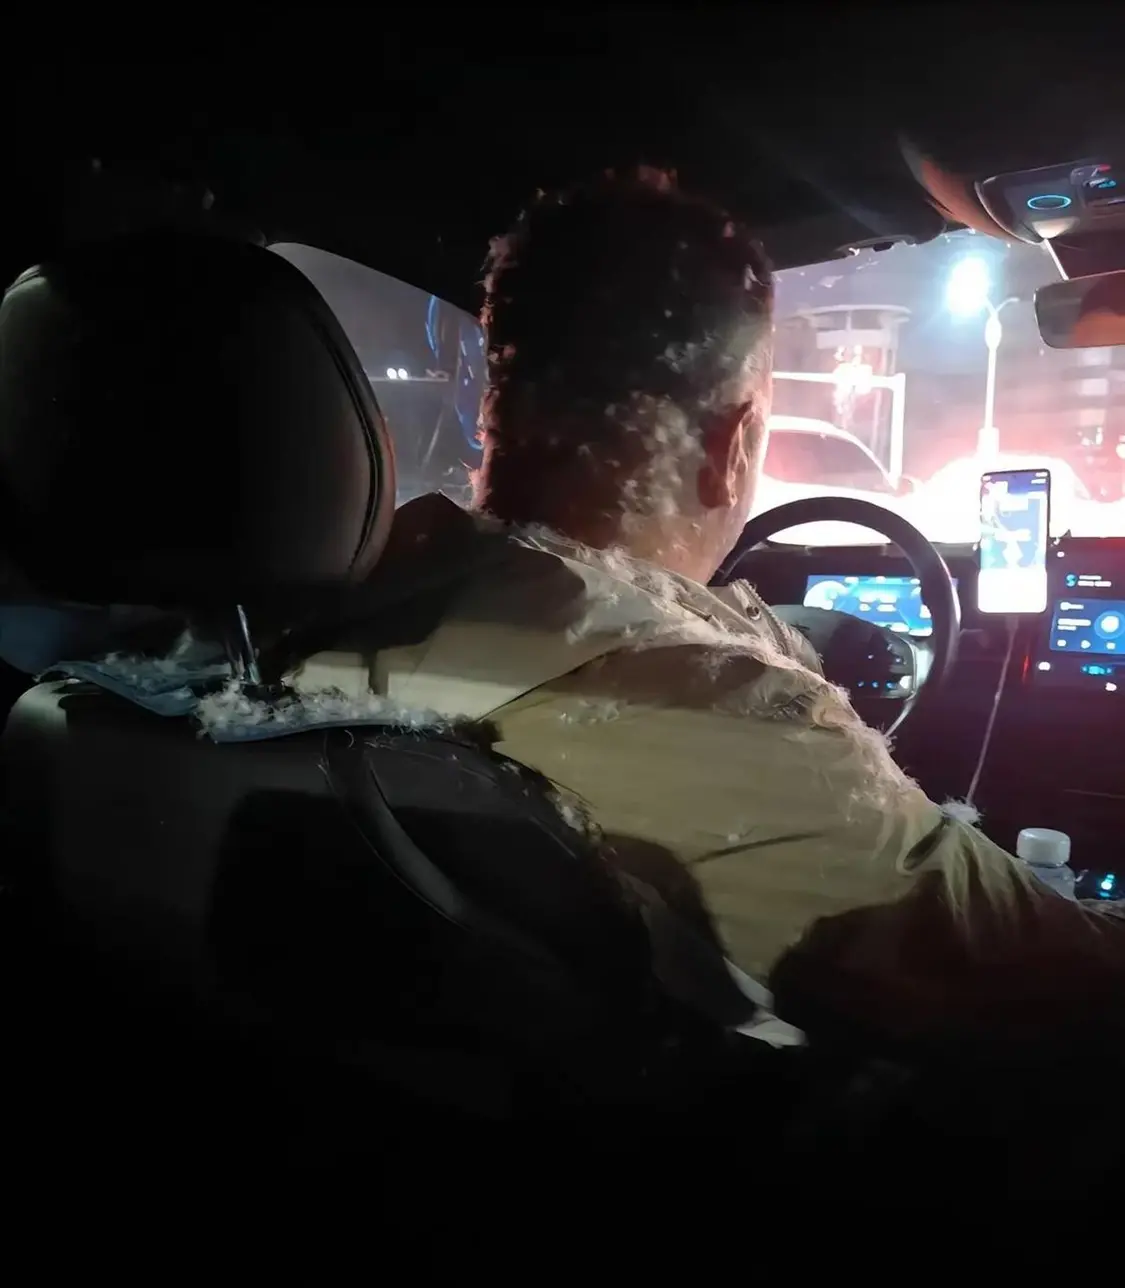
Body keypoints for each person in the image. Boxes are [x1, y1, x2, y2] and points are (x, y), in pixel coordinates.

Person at [289, 168, 1125, 1054]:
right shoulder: (723, 713)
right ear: (732, 447)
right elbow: (1066, 979)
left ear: (497, 409)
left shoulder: (316, 623)